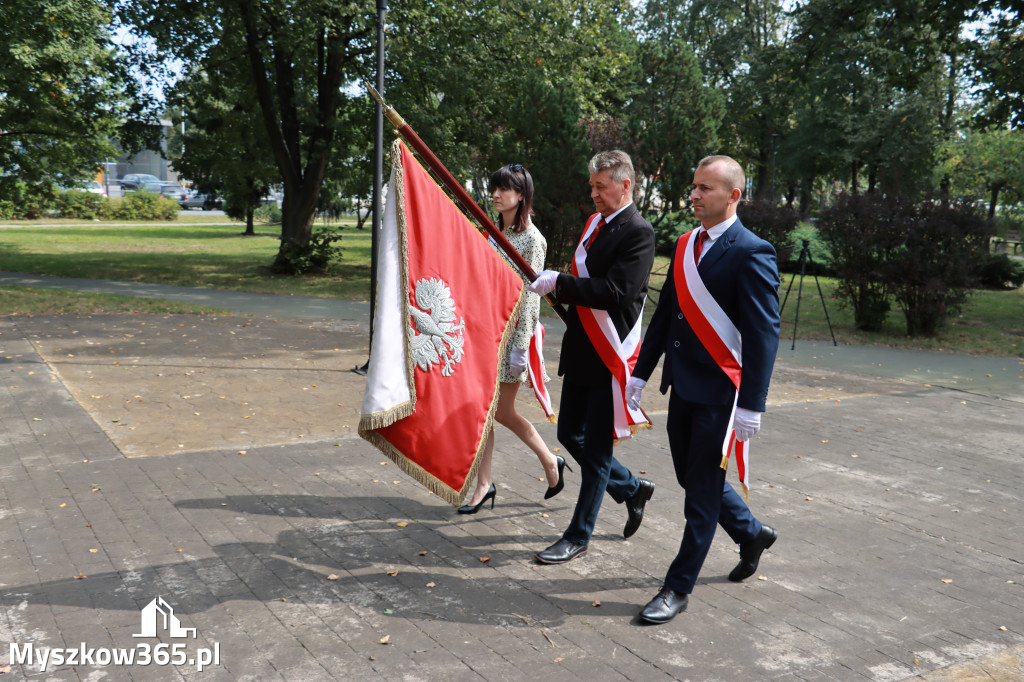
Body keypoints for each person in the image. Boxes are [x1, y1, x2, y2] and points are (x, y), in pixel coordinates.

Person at [626, 155, 781, 624]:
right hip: (683, 389)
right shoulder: (686, 243)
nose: (694, 195)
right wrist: (640, 371)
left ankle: (677, 587)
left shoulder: (752, 250)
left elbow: (763, 334)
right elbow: (665, 314)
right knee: (693, 478)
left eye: (706, 188)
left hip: (721, 394)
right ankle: (750, 533)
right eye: (693, 186)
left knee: (700, 495)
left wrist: (753, 404)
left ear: (734, 196)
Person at [528, 150, 656, 564]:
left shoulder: (639, 232)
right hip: (583, 349)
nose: (594, 193)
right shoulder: (595, 224)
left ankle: (578, 535)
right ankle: (631, 488)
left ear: (625, 185)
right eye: (592, 185)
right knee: (569, 435)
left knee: (596, 453)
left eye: (601, 186)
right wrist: (558, 285)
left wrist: (560, 283)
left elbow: (616, 293)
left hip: (610, 354)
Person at [457, 163, 570, 514]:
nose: (495, 195)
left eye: (503, 189)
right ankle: (483, 484)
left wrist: (521, 345)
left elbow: (530, 295)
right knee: (483, 411)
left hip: (511, 336)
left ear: (521, 195)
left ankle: (551, 461)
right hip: (483, 333)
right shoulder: (492, 232)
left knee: (502, 412)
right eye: (494, 188)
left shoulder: (532, 240)